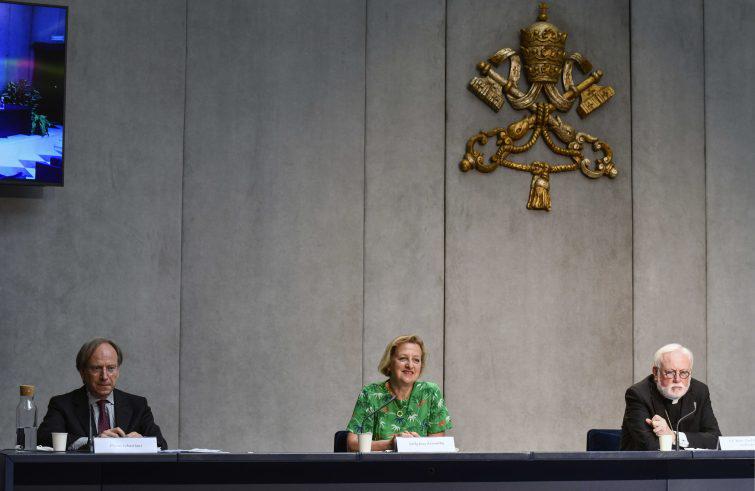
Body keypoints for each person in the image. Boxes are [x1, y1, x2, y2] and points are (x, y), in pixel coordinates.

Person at [38, 338, 167, 450]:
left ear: (118, 371)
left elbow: (161, 444)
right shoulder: (62, 405)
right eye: (96, 368)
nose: (104, 376)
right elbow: (44, 438)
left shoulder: (138, 405)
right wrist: (93, 442)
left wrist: (143, 442)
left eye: (111, 368)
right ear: (82, 372)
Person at [345, 334, 452, 452]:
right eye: (403, 358)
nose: (410, 365)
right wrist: (391, 444)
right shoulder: (370, 393)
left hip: (419, 468)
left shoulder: (430, 392)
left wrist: (418, 444)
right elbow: (352, 444)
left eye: (416, 360)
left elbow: (438, 449)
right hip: (378, 468)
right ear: (390, 363)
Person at [620, 343, 721, 450]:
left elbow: (716, 440)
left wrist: (674, 437)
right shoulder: (638, 394)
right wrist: (693, 444)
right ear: (655, 372)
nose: (677, 379)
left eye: (684, 372)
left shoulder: (699, 391)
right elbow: (649, 446)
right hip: (646, 465)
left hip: (690, 465)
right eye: (670, 373)